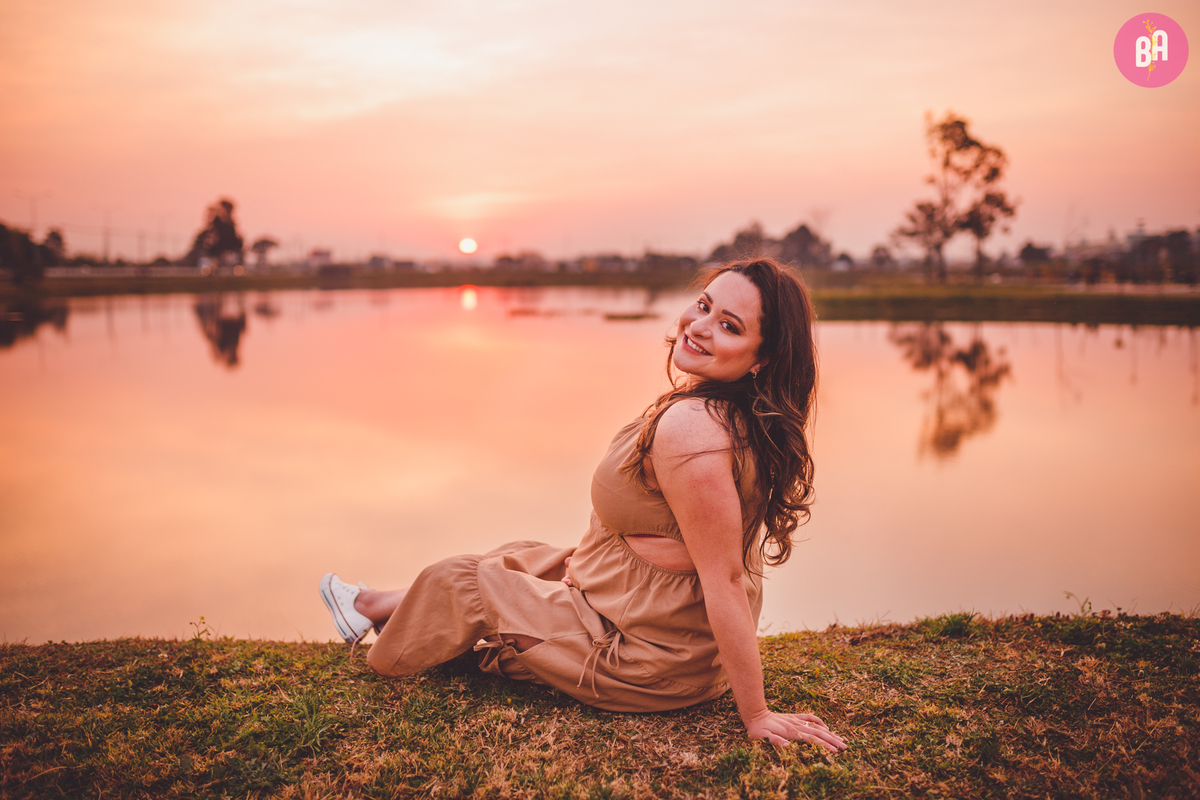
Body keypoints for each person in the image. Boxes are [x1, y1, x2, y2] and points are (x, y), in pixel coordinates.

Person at [319, 258, 846, 751]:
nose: (700, 325)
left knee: (463, 580)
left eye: (730, 326)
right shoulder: (735, 412)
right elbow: (670, 541)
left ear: (763, 357)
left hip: (649, 658)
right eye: (705, 305)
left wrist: (756, 715)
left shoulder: (693, 433)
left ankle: (368, 612)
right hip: (659, 623)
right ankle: (375, 604)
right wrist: (591, 571)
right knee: (521, 555)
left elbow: (724, 578)